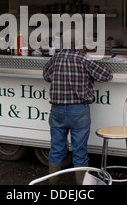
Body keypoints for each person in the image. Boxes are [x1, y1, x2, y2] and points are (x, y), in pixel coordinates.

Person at [43, 29, 113, 184]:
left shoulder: (55, 58)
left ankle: (53, 186)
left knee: (56, 149)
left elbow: (46, 76)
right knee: (80, 152)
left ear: (63, 43)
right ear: (80, 43)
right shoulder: (84, 59)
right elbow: (107, 75)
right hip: (79, 111)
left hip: (57, 110)